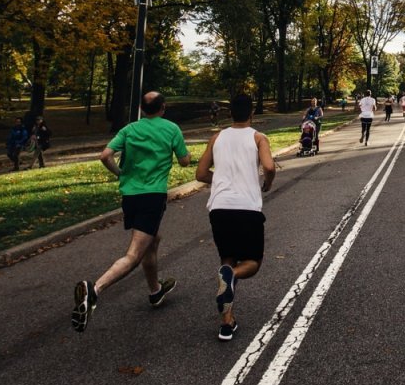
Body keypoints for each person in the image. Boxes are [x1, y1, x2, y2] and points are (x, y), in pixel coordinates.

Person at [71, 91, 192, 333]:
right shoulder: (171, 129)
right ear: (163, 108)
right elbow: (185, 162)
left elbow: (105, 155)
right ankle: (95, 290)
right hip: (152, 196)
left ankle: (155, 291)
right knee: (134, 254)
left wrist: (120, 173)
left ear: (142, 108)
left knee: (153, 241)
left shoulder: (129, 129)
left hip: (130, 196)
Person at [195, 93, 277, 341]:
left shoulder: (216, 137)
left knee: (227, 260)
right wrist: (267, 183)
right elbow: (270, 167)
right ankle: (234, 278)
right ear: (252, 113)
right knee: (252, 262)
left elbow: (200, 173)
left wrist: (219, 180)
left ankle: (226, 323)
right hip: (247, 207)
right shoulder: (258, 137)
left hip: (219, 207)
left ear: (230, 113)